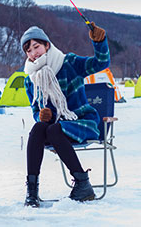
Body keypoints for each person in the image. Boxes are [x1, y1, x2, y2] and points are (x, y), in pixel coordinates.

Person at [21, 22, 109, 207]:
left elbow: (101, 63)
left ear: (47, 45)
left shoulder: (69, 63)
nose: (33, 53)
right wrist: (41, 116)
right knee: (39, 128)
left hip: (82, 121)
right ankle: (32, 190)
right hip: (55, 126)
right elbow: (36, 110)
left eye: (36, 46)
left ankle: (83, 184)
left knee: (53, 130)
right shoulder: (30, 79)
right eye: (28, 50)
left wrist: (99, 42)